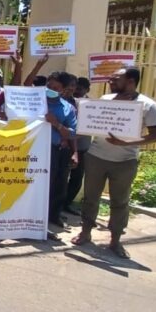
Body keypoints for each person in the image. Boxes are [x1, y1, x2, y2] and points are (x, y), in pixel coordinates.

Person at [72, 68, 156, 259]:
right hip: (96, 157)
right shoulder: (105, 99)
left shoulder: (148, 106)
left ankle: (115, 241)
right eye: (111, 78)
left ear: (131, 81)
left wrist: (126, 143)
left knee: (120, 201)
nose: (110, 81)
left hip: (125, 161)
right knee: (90, 198)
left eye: (116, 79)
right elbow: (90, 124)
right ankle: (85, 232)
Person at [44, 72, 78, 231]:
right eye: (48, 86)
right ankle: (37, 219)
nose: (50, 89)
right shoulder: (36, 101)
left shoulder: (68, 108)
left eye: (55, 88)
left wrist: (56, 124)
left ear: (63, 90)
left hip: (56, 151)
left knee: (59, 186)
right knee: (39, 186)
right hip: (35, 150)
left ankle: (54, 216)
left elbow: (72, 133)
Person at [65, 77, 92, 214]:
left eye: (80, 89)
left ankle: (67, 203)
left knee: (77, 178)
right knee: (62, 178)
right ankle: (57, 206)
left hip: (82, 147)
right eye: (75, 87)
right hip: (66, 146)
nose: (76, 91)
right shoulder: (69, 102)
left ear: (87, 90)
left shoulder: (92, 105)